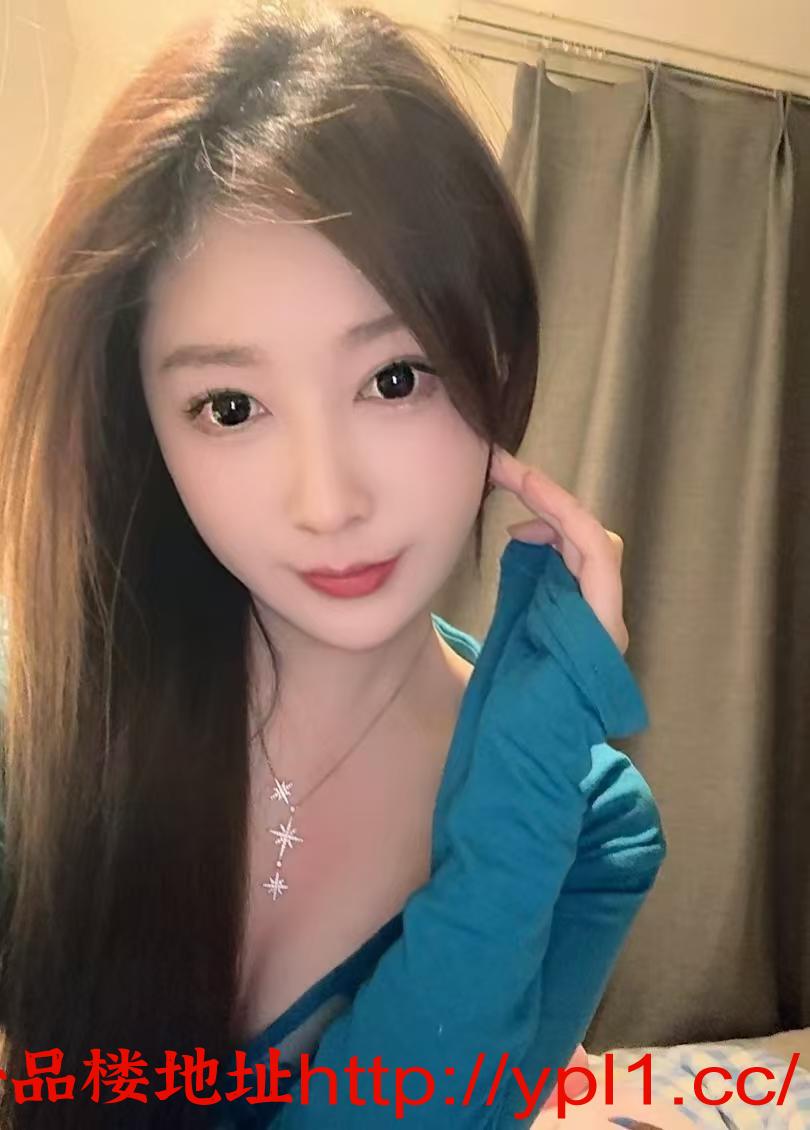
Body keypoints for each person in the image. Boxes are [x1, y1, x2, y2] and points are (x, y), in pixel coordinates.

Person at [0, 2, 667, 1127]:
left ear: (499, 359)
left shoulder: (583, 821)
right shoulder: (45, 711)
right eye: (230, 405)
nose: (328, 502)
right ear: (141, 427)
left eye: (395, 378)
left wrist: (520, 787)